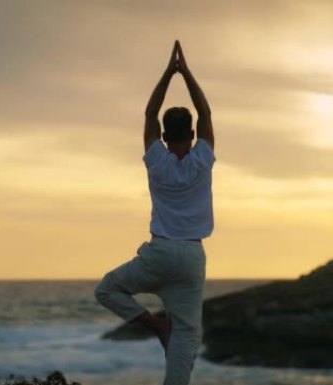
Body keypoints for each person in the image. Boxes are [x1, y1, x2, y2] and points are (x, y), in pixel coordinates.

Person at [94, 40, 215, 385]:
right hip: (191, 255)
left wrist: (168, 73)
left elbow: (149, 114)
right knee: (187, 335)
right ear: (192, 134)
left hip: (160, 252)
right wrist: (186, 74)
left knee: (107, 290)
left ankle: (156, 326)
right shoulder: (202, 159)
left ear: (163, 135)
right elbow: (206, 114)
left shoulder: (156, 160)